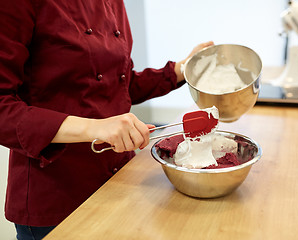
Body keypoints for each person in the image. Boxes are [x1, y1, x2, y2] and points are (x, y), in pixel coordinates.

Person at [0, 0, 214, 239]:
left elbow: (119, 84)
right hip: (58, 198)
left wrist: (182, 68)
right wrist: (95, 127)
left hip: (119, 182)